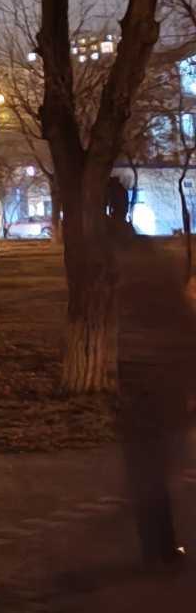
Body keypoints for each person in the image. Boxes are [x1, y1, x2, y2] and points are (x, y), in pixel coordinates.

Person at [114, 214, 193, 568]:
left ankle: (155, 549)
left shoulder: (127, 304)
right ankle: (163, 548)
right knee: (158, 474)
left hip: (138, 396)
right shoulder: (171, 307)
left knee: (148, 475)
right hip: (161, 395)